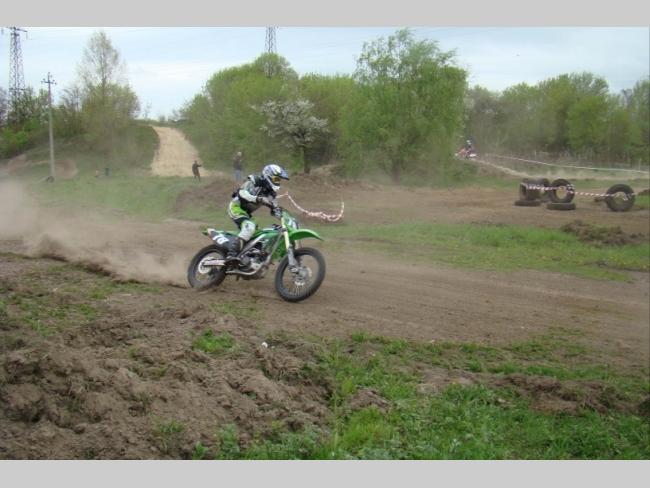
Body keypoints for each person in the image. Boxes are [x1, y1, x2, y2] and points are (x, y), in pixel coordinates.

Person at [224, 163, 289, 264]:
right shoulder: (255, 181)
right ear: (268, 175)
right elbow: (242, 193)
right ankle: (231, 255)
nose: (278, 182)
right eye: (276, 179)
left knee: (260, 236)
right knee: (249, 227)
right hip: (236, 207)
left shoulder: (271, 193)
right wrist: (258, 199)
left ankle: (248, 258)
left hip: (246, 214)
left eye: (279, 180)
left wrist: (280, 213)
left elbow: (274, 208)